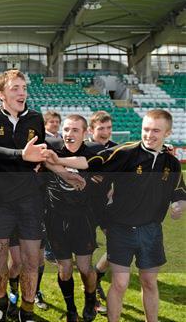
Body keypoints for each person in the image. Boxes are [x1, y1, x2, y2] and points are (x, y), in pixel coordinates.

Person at [87, 109, 185, 322]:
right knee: (120, 283)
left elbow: (179, 193)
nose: (149, 135)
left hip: (151, 230)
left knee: (149, 282)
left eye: (156, 130)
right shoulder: (127, 153)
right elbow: (95, 169)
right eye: (146, 129)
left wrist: (179, 205)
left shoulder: (172, 164)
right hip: (120, 228)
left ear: (167, 133)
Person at [0, 70, 47, 321]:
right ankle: (0, 300)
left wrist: (61, 169)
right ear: (1, 94)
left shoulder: (36, 119)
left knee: (31, 260)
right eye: (15, 88)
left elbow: (44, 151)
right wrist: (20, 154)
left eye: (24, 87)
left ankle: (27, 309)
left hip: (30, 201)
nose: (22, 92)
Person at [45, 115, 103, 322]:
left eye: (75, 130)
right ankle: (71, 309)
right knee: (65, 269)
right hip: (56, 219)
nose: (69, 134)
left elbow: (85, 163)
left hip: (82, 219)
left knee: (85, 268)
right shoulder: (52, 146)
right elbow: (42, 157)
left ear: (85, 133)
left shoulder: (93, 151)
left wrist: (57, 162)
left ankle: (90, 299)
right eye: (66, 129)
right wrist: (57, 166)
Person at [87, 110, 116, 307]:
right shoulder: (83, 148)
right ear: (91, 130)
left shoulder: (118, 149)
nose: (105, 132)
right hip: (84, 208)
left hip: (107, 208)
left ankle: (96, 278)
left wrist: (115, 188)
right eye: (101, 128)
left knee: (117, 246)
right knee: (85, 254)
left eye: (108, 128)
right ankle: (91, 297)